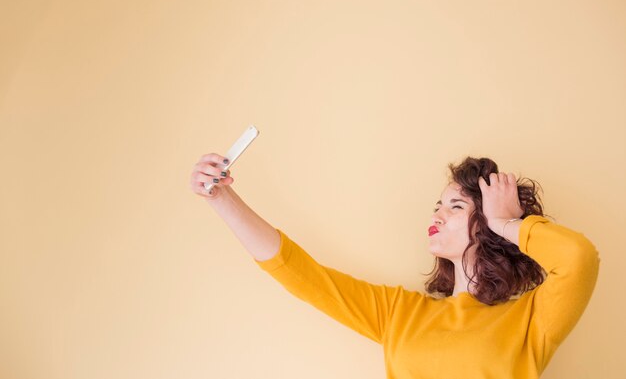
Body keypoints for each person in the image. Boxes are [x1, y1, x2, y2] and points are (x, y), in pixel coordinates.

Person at [190, 154, 600, 379]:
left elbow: (578, 258)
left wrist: (508, 222)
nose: (438, 214)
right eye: (437, 206)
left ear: (489, 226)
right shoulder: (400, 313)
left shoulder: (531, 320)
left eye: (456, 206)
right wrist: (222, 200)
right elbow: (302, 274)